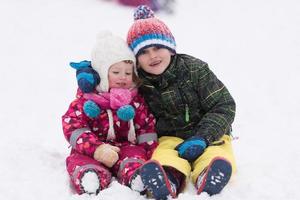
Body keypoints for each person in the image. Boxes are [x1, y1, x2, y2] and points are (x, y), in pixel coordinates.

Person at [126, 5, 237, 199]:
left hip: (209, 135)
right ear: (136, 59)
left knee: (215, 152)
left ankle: (208, 175)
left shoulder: (195, 70)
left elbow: (223, 105)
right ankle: (168, 178)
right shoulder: (138, 83)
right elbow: (113, 81)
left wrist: (203, 137)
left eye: (158, 47)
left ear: (170, 47)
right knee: (164, 155)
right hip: (169, 139)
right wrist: (94, 74)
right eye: (144, 52)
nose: (152, 56)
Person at [62, 31, 158, 195]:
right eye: (115, 72)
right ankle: (90, 176)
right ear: (101, 74)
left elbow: (146, 127)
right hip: (92, 148)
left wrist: (150, 152)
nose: (123, 77)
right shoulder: (87, 100)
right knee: (79, 159)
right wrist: (97, 149)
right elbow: (73, 126)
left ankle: (136, 176)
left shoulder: (134, 99)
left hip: (126, 146)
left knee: (135, 157)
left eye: (128, 73)